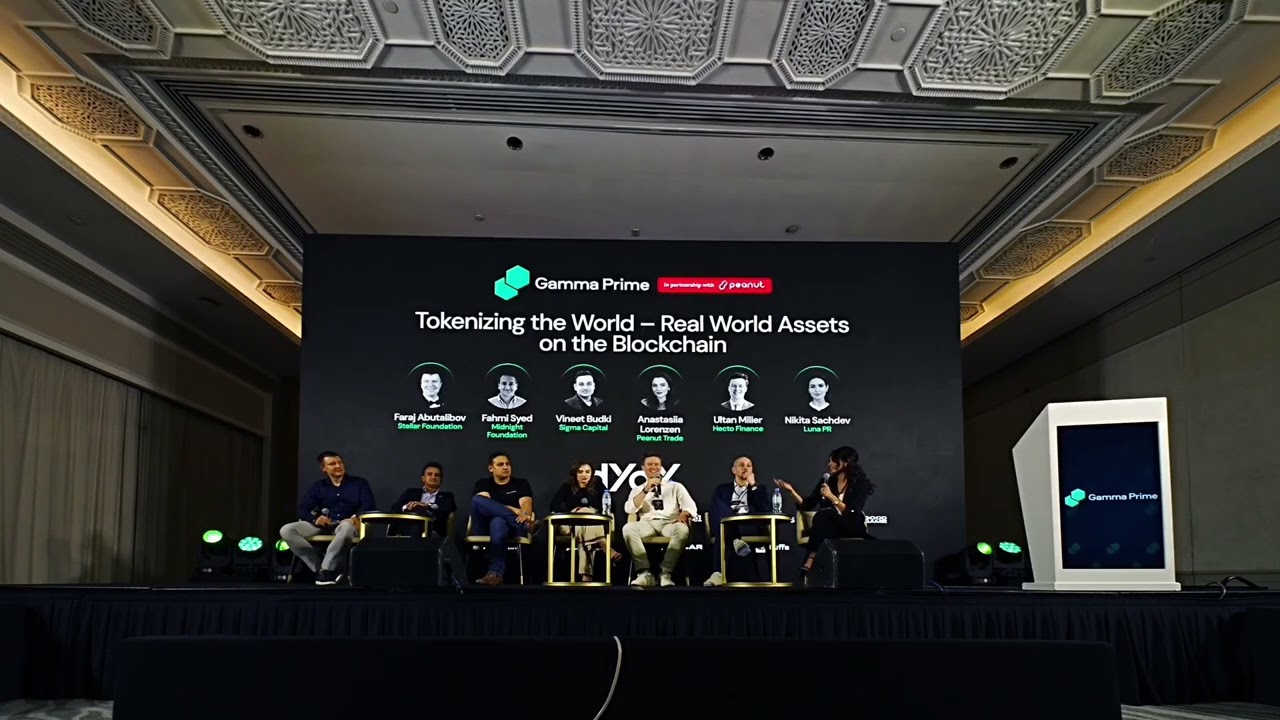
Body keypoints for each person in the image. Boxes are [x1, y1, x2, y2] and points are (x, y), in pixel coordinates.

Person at [774, 445, 875, 579]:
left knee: (824, 515)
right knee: (824, 516)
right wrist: (791, 491)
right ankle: (815, 565)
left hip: (852, 525)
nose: (829, 464)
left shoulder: (861, 483)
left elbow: (853, 512)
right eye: (829, 460)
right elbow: (807, 505)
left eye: (833, 460)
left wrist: (832, 497)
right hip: (830, 527)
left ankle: (810, 558)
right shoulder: (828, 481)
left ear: (845, 462)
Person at [280, 451, 376, 585]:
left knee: (347, 527)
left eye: (340, 462)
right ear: (324, 468)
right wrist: (315, 519)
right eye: (332, 464)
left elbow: (369, 505)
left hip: (348, 523)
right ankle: (320, 570)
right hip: (325, 525)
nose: (338, 466)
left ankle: (327, 569)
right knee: (287, 530)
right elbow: (302, 509)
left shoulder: (359, 483)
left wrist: (354, 517)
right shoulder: (318, 487)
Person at [623, 452, 697, 587]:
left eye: (656, 464)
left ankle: (665, 572)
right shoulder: (638, 489)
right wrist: (646, 489)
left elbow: (690, 507)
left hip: (670, 523)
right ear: (643, 468)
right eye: (649, 464)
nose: (653, 467)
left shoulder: (675, 487)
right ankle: (644, 573)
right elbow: (630, 509)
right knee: (628, 528)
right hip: (647, 523)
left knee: (682, 529)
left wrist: (683, 514)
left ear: (661, 467)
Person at [470, 451, 535, 585]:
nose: (505, 467)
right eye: (500, 464)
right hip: (484, 526)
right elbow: (485, 505)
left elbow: (526, 504)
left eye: (507, 464)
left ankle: (495, 573)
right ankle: (526, 525)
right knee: (477, 499)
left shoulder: (521, 484)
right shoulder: (483, 484)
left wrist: (525, 514)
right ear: (491, 468)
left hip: (510, 529)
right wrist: (512, 509)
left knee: (498, 521)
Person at [548, 461, 620, 582]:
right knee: (583, 522)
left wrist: (590, 510)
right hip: (568, 525)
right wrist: (574, 511)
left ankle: (586, 576)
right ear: (575, 474)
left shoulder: (598, 486)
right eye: (580, 472)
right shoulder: (566, 487)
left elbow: (611, 506)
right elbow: (553, 506)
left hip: (588, 526)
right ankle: (605, 547)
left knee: (584, 527)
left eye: (587, 472)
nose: (584, 475)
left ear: (592, 473)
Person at [704, 456, 770, 587]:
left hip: (749, 525)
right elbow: (715, 509)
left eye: (749, 466)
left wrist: (753, 486)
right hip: (727, 524)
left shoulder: (759, 489)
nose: (745, 468)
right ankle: (735, 541)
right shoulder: (722, 489)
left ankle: (718, 572)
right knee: (720, 510)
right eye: (741, 465)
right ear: (734, 470)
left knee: (725, 528)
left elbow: (766, 510)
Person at [389, 462, 456, 537]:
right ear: (423, 478)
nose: (433, 477)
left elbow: (447, 509)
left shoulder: (447, 496)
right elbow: (395, 508)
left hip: (433, 529)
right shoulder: (411, 492)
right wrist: (406, 507)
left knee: (420, 510)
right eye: (429, 474)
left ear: (441, 480)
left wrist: (426, 506)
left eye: (437, 475)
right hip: (407, 529)